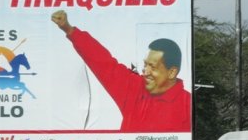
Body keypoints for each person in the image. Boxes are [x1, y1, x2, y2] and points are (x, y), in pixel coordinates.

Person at [51, 10, 191, 132]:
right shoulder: (135, 89)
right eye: (145, 65)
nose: (145, 71)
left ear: (172, 72)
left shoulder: (187, 105)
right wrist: (69, 30)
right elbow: (103, 63)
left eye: (152, 67)